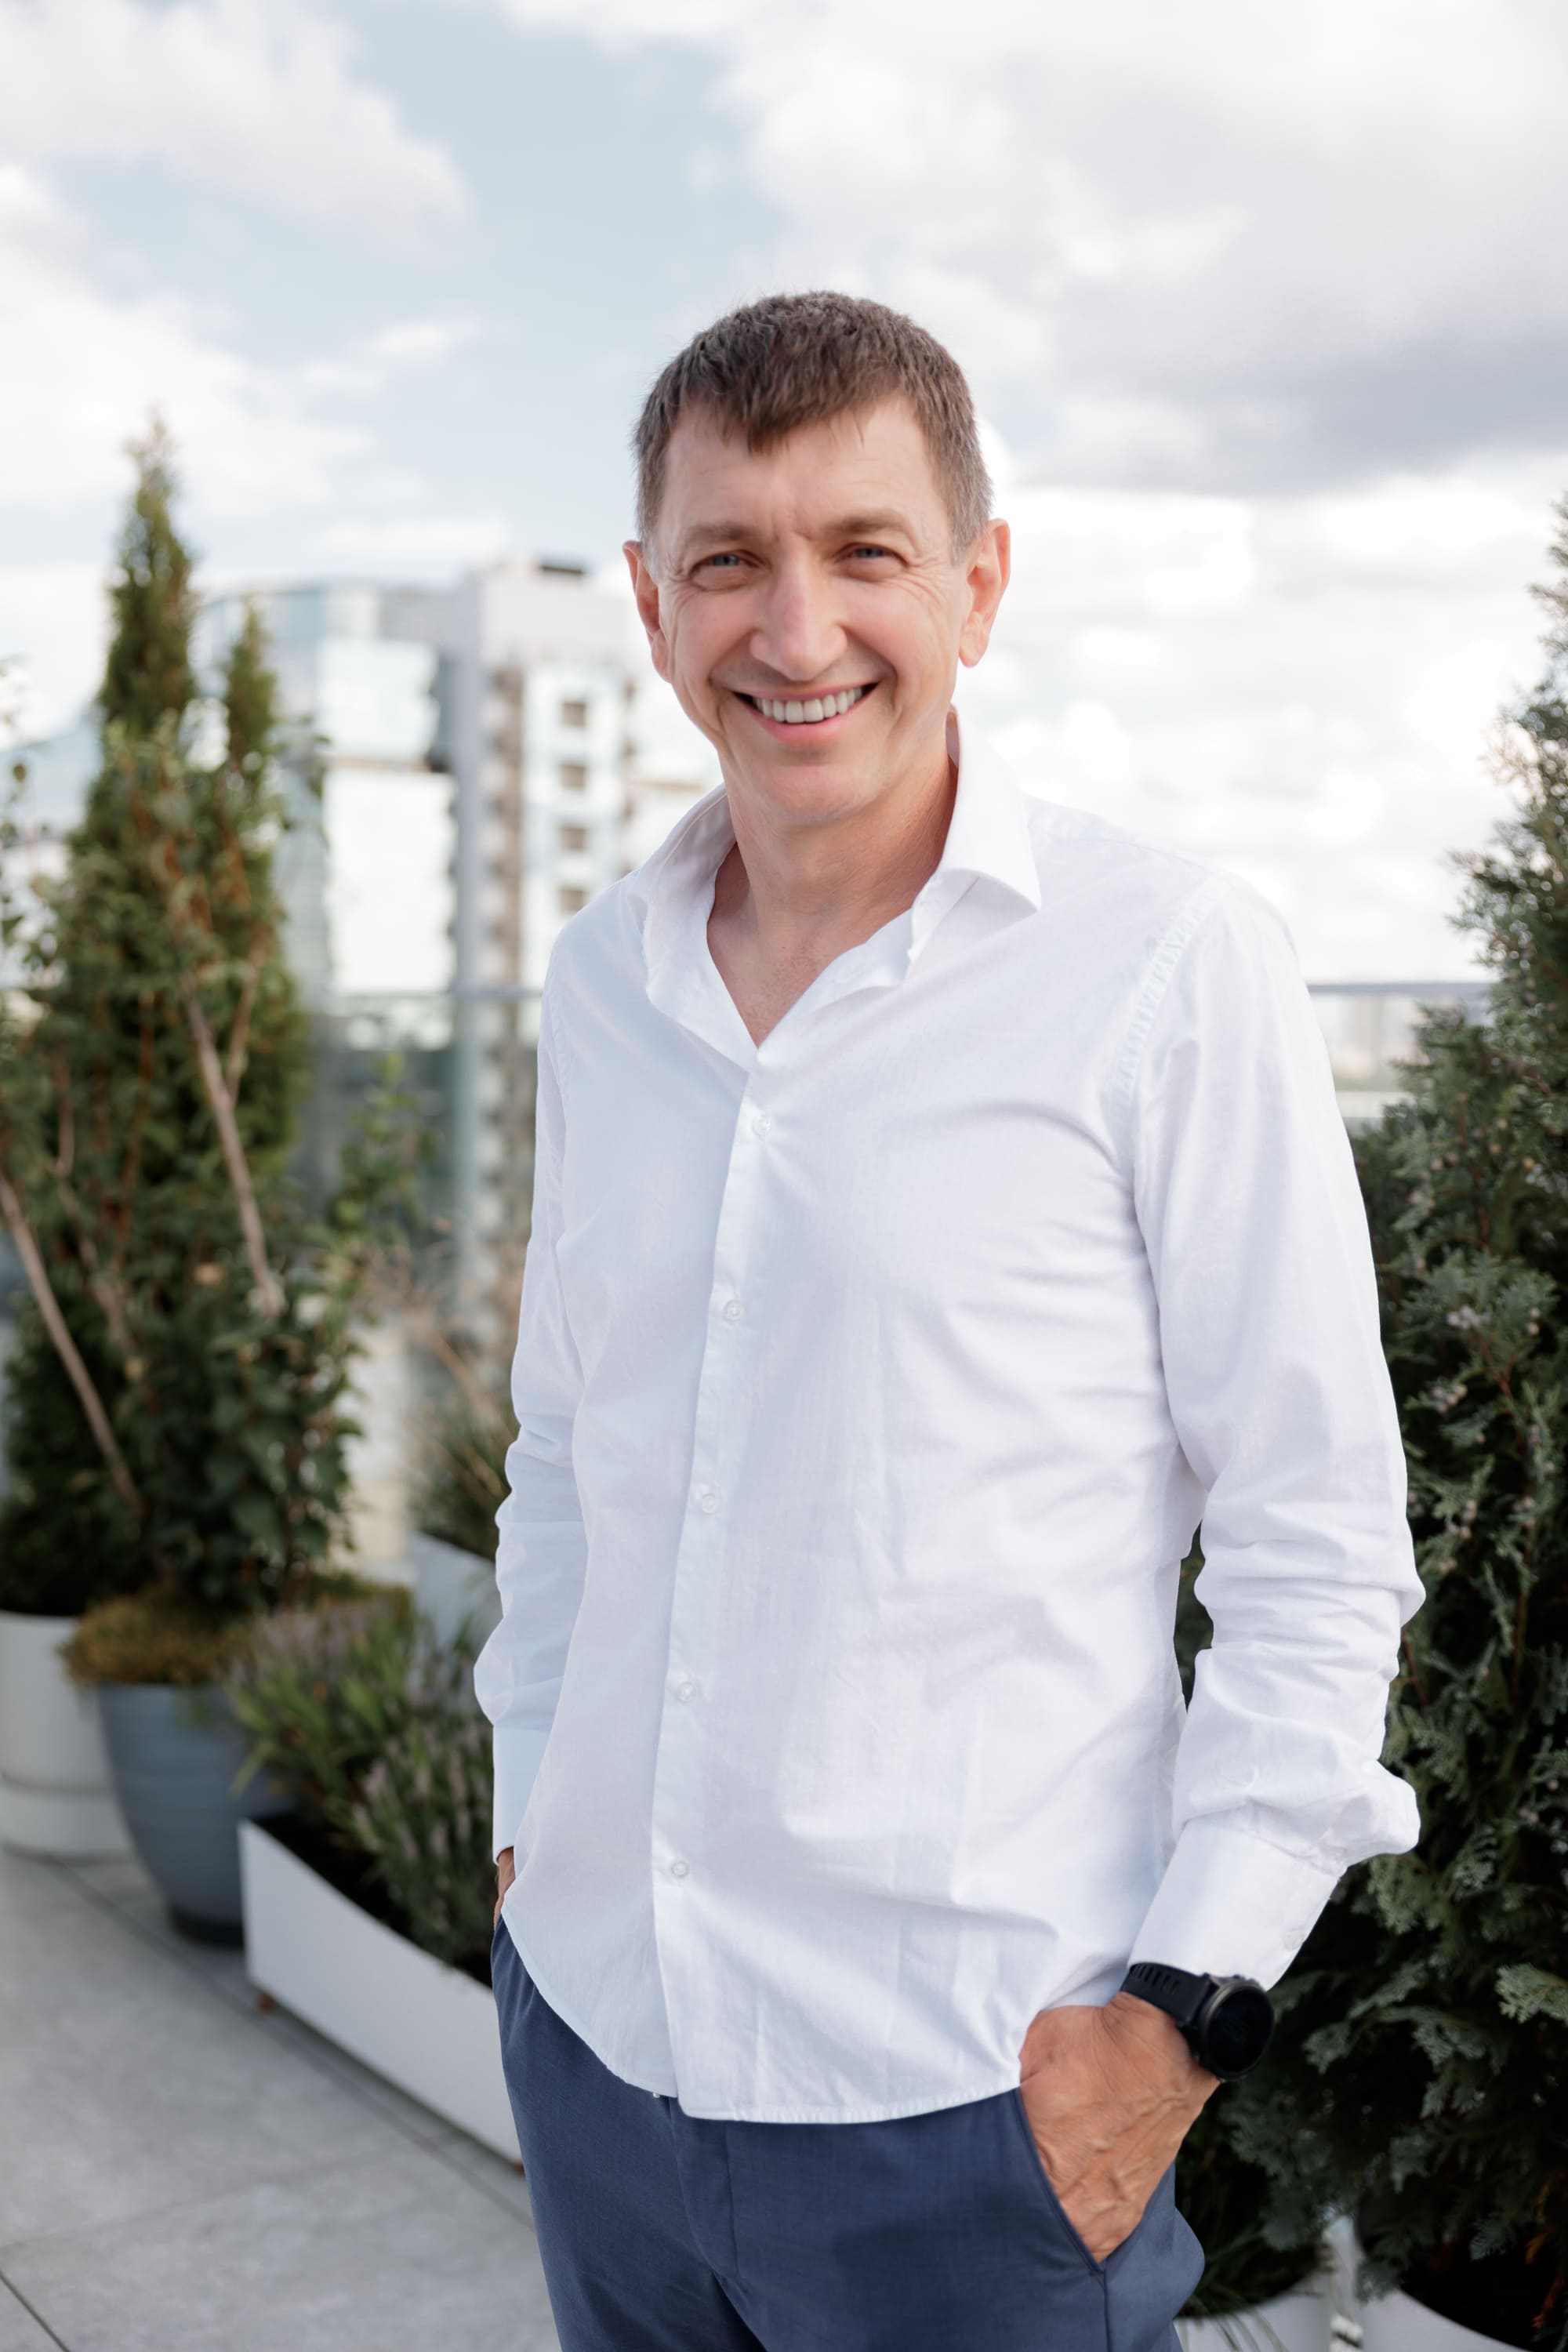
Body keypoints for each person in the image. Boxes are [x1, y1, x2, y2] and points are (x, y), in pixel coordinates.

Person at [474, 290, 1422, 2352]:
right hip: (603, 2057)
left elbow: (1316, 1532)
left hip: (967, 2116)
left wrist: (1178, 2017)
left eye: (866, 551)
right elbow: (565, 1449)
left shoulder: (1169, 966)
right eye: (732, 559)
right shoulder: (602, 981)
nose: (797, 628)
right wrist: (529, 1812)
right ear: (651, 603)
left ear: (979, 587)